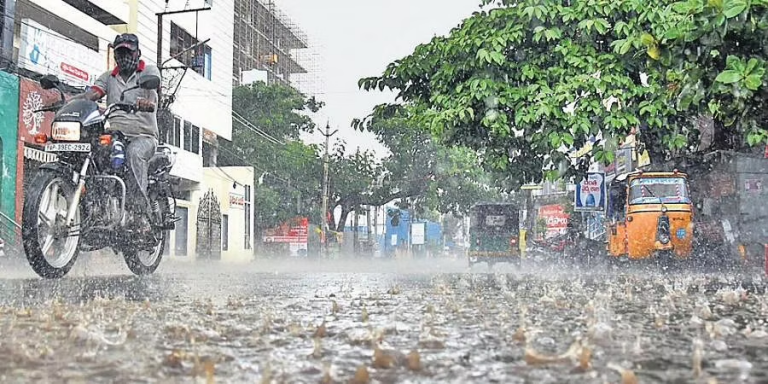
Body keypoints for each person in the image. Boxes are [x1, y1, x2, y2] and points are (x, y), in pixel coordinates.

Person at [77, 33, 161, 234]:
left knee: (134, 153)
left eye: (128, 52)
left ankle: (140, 215)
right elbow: (93, 94)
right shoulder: (109, 77)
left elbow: (154, 90)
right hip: (115, 135)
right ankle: (95, 208)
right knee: (91, 154)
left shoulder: (147, 71)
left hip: (144, 136)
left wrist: (144, 104)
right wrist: (73, 101)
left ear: (137, 52)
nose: (124, 57)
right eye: (120, 52)